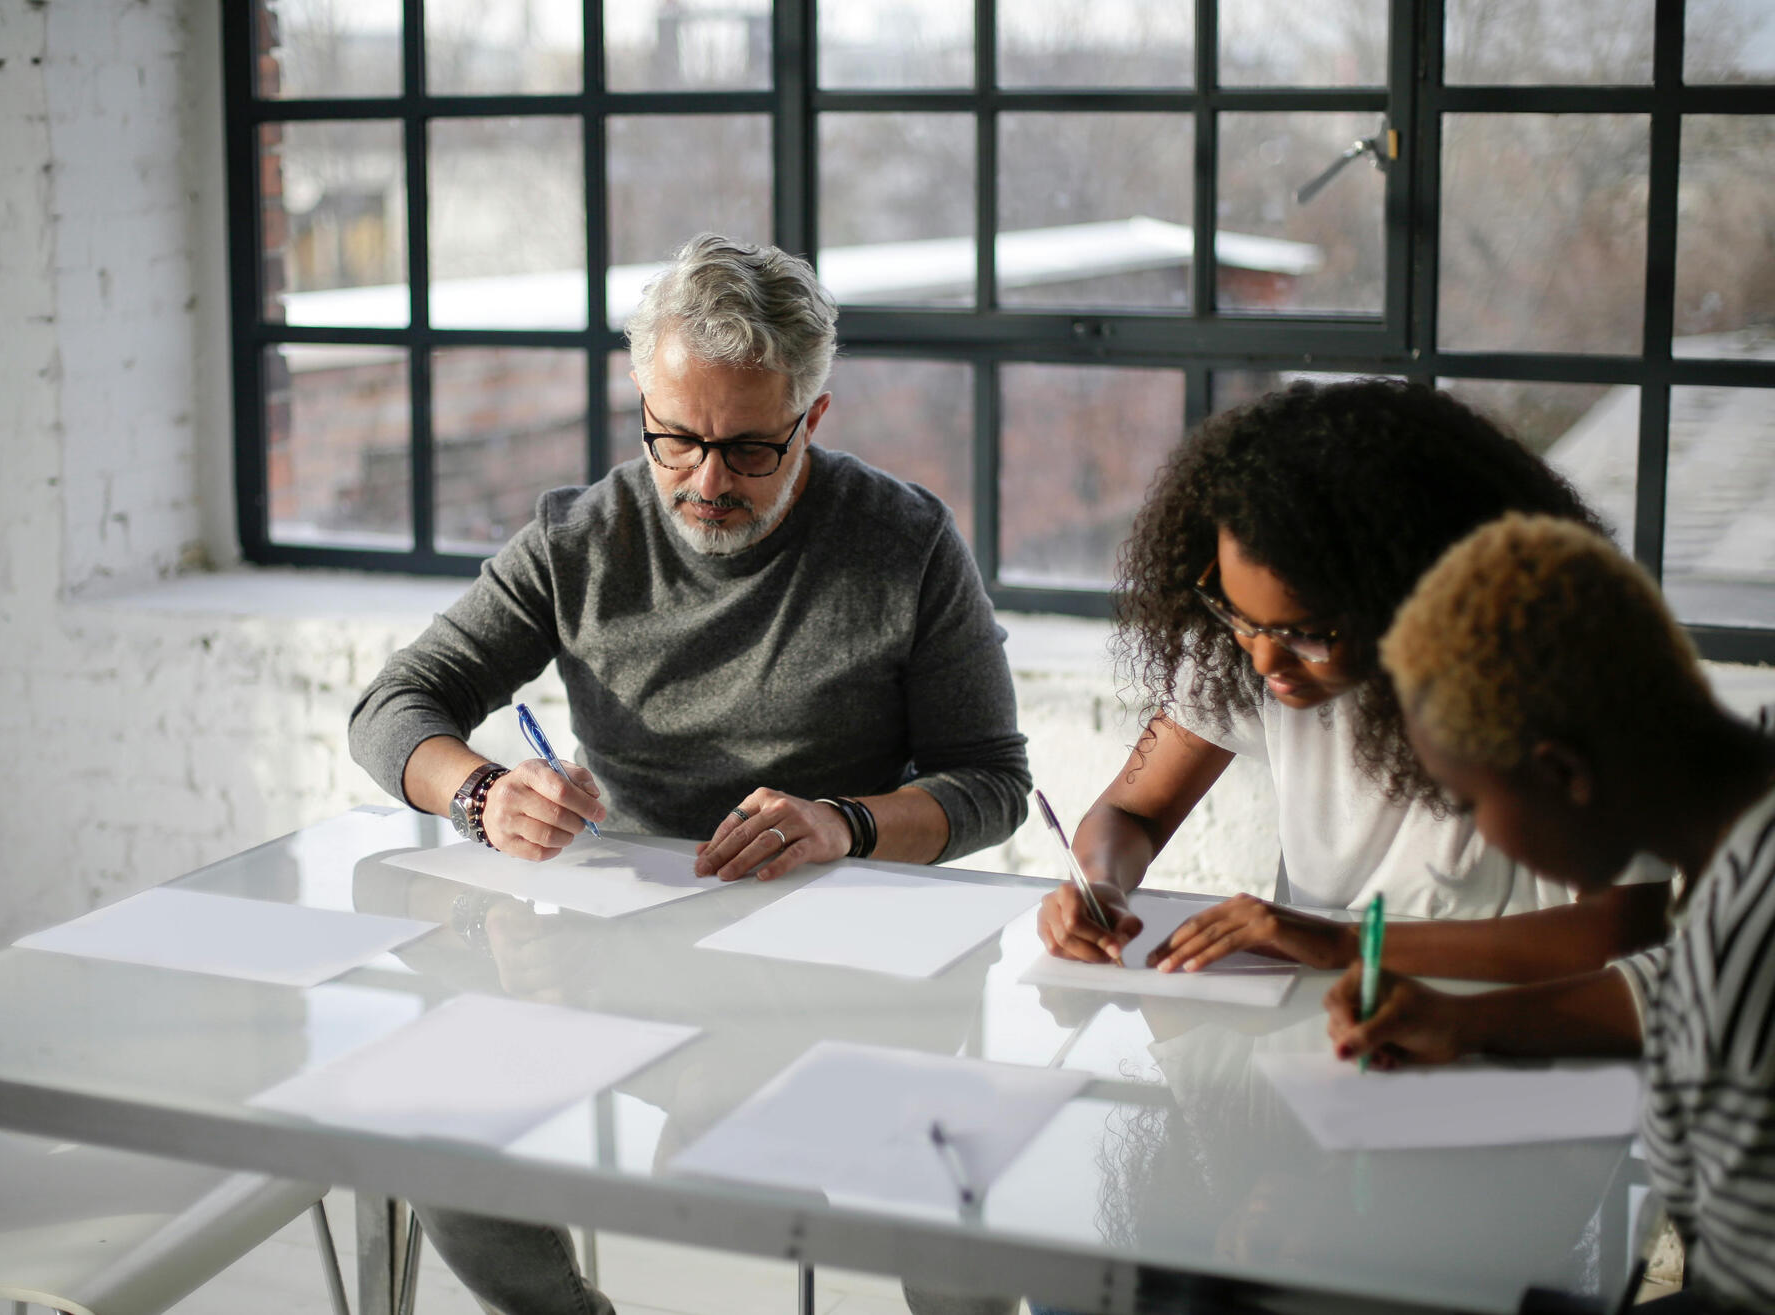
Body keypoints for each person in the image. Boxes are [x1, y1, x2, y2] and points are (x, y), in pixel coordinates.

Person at [349, 232, 1031, 1315]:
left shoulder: (904, 542)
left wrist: (844, 823)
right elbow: (393, 707)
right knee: (433, 1123)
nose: (706, 481)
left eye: (752, 449)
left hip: (849, 966)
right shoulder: (583, 537)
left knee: (958, 1214)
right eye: (675, 440)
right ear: (642, 405)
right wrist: (481, 793)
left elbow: (989, 781)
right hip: (615, 955)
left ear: (813, 416)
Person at [1037, 380, 1670, 979]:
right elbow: (1131, 811)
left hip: (1503, 1031)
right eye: (1236, 615)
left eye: (1306, 635)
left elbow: (1626, 929)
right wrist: (1100, 884)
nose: (1263, 660)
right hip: (1320, 1029)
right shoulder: (1249, 649)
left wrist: (1346, 944)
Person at [1328, 513, 1775, 1312]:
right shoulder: (1746, 815)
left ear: (1563, 770)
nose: (1479, 829)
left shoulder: (1752, 938)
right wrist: (1465, 1021)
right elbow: (1670, 982)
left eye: (1470, 801)